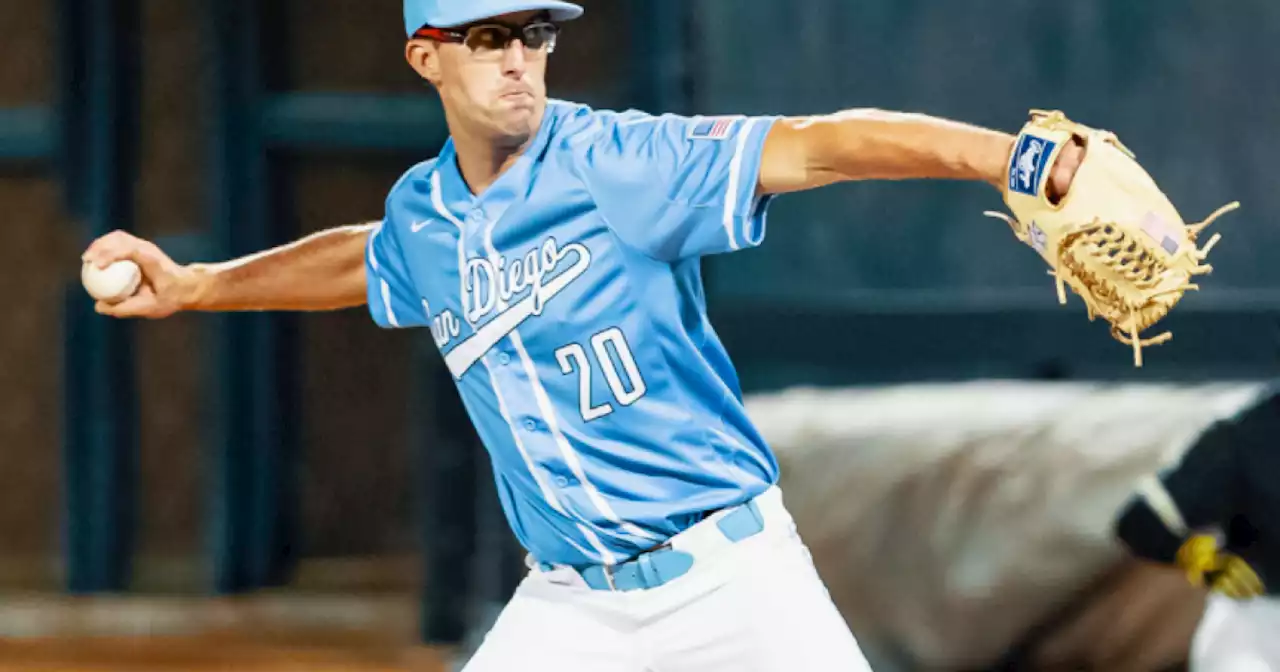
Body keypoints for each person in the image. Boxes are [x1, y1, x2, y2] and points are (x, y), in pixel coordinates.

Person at [81, 0, 1085, 669]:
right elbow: (367, 259)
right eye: (488, 37)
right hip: (575, 611)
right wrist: (200, 285)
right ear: (424, 56)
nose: (519, 59)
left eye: (534, 34)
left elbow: (818, 145)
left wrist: (1003, 154)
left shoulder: (620, 162)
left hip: (730, 585)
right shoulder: (424, 213)